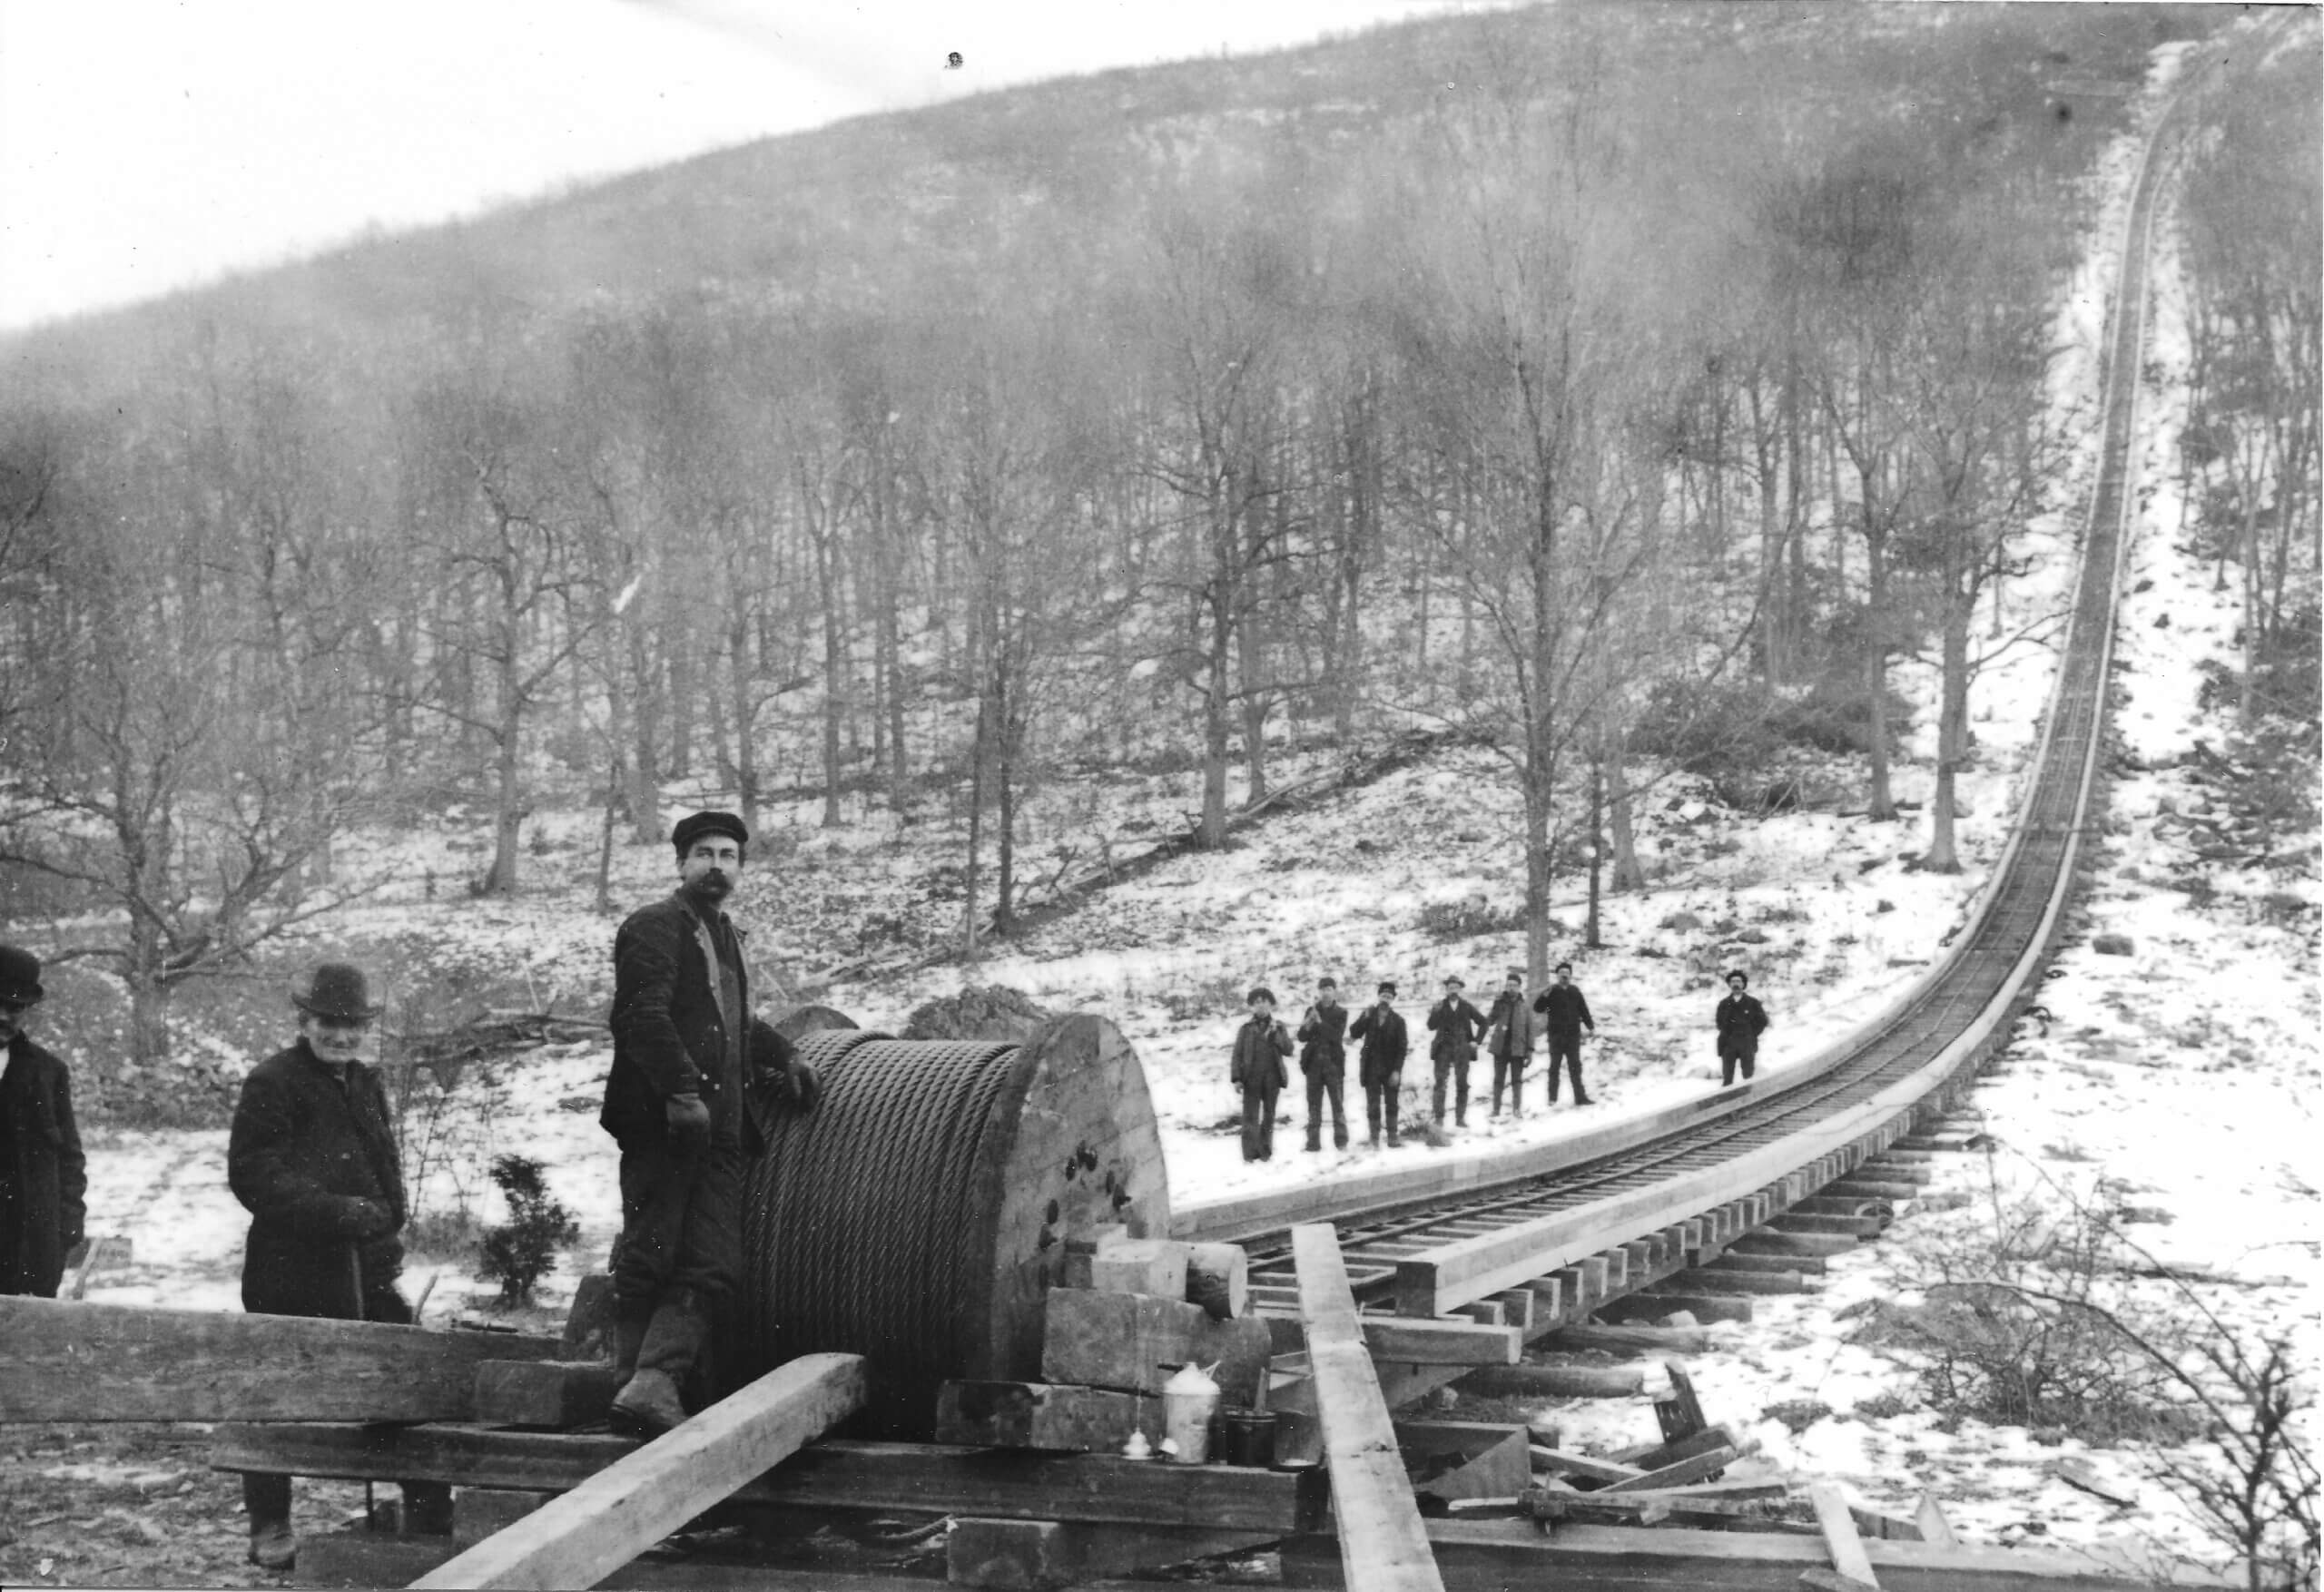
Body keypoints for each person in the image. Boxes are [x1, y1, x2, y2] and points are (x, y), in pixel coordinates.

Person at [603, 810, 823, 1438]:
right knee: (650, 1255)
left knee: (712, 1263)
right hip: (665, 1124)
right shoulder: (655, 926)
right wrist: (680, 1091)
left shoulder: (723, 935)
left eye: (728, 856)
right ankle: (631, 1383)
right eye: (704, 854)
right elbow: (640, 1016)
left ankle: (649, 1384)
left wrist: (784, 1055)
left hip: (720, 1130)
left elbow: (733, 1023)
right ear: (681, 864)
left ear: (740, 869)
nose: (716, 866)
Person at [227, 961, 448, 1570]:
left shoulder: (364, 1081)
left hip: (365, 1267)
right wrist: (334, 1212)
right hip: (289, 1270)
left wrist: (390, 1214)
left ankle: (427, 1508)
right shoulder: (272, 1081)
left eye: (354, 1025)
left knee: (406, 1379)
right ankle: (270, 1522)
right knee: (273, 1394)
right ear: (305, 1020)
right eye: (329, 1022)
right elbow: (253, 1174)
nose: (342, 1036)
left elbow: (385, 1160)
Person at [0, 945, 85, 1300]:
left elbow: (70, 1160)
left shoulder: (49, 1072)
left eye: (15, 1007)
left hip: (29, 1255)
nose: (5, 1016)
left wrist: (66, 1229)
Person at [1230, 987, 1292, 1163]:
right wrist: (1237, 1078)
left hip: (1272, 1078)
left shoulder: (1279, 1026)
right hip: (1252, 1078)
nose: (1261, 1005)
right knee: (1250, 1116)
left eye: (1264, 1001)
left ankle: (1265, 1152)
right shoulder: (1246, 1029)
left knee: (1269, 1116)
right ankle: (1250, 1154)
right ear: (1252, 1006)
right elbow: (1237, 1054)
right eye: (1257, 1002)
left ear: (1270, 1004)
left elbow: (1288, 1050)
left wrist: (1276, 1034)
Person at [1347, 981, 1408, 1148]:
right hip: (1371, 1067)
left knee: (1392, 1103)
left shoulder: (1398, 1021)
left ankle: (1392, 1137)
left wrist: (1397, 1071)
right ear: (1378, 997)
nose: (1385, 999)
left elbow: (1402, 1048)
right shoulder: (1369, 1014)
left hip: (1390, 1068)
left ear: (1393, 999)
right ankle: (1374, 1138)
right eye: (1383, 996)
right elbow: (1354, 1032)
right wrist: (1365, 1017)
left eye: (1389, 997)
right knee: (1373, 1104)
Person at [1531, 961, 1596, 1107]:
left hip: (1573, 1036)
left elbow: (1583, 1010)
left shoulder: (1575, 991)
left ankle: (1580, 1097)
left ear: (1570, 976)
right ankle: (1552, 1099)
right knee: (1554, 1067)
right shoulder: (1551, 991)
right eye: (1561, 973)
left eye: (1567, 973)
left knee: (1575, 1067)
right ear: (1557, 975)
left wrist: (1590, 1026)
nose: (1564, 976)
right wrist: (1544, 997)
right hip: (1556, 1037)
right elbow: (1538, 1009)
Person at [1296, 977, 1350, 1153]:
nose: (1325, 993)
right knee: (1313, 1105)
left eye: (1329, 989)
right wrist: (1309, 1022)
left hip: (1333, 1064)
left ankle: (1341, 1141)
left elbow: (1336, 1036)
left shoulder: (1341, 1012)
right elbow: (1301, 1036)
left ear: (1334, 991)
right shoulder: (1311, 1010)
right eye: (1322, 989)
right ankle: (1313, 1143)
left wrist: (1319, 1022)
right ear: (1318, 992)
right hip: (1314, 1065)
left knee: (1337, 1104)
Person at [1424, 975, 1485, 1126]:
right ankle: (1439, 1119)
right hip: (1443, 1049)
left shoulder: (1466, 1006)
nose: (1453, 991)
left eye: (1456, 988)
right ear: (1446, 990)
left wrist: (1476, 1041)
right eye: (1450, 988)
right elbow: (1431, 1026)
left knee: (1462, 1084)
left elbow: (1483, 1022)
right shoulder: (1440, 1006)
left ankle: (1460, 1119)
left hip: (1462, 1049)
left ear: (1460, 989)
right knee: (1440, 1084)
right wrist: (1435, 1012)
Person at [1482, 968, 1535, 1117]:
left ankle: (1516, 1109)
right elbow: (1490, 1021)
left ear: (1519, 988)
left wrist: (1530, 1050)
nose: (1511, 988)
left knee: (1517, 1081)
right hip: (1500, 1048)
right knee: (1498, 1080)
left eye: (1514, 985)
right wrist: (1495, 1006)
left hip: (1518, 1049)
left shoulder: (1525, 1007)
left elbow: (1530, 1030)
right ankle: (1496, 1109)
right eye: (1509, 985)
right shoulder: (1500, 1003)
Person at [1716, 969, 1770, 1086]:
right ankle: (1728, 1097)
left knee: (1748, 1076)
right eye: (1733, 981)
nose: (1736, 984)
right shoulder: (1723, 1004)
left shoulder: (1753, 1003)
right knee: (1727, 1078)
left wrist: (1751, 1033)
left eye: (1738, 981)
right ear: (1729, 984)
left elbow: (1763, 1021)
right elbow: (1719, 1023)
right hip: (1728, 1044)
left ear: (1743, 984)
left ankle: (1748, 1096)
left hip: (1747, 1043)